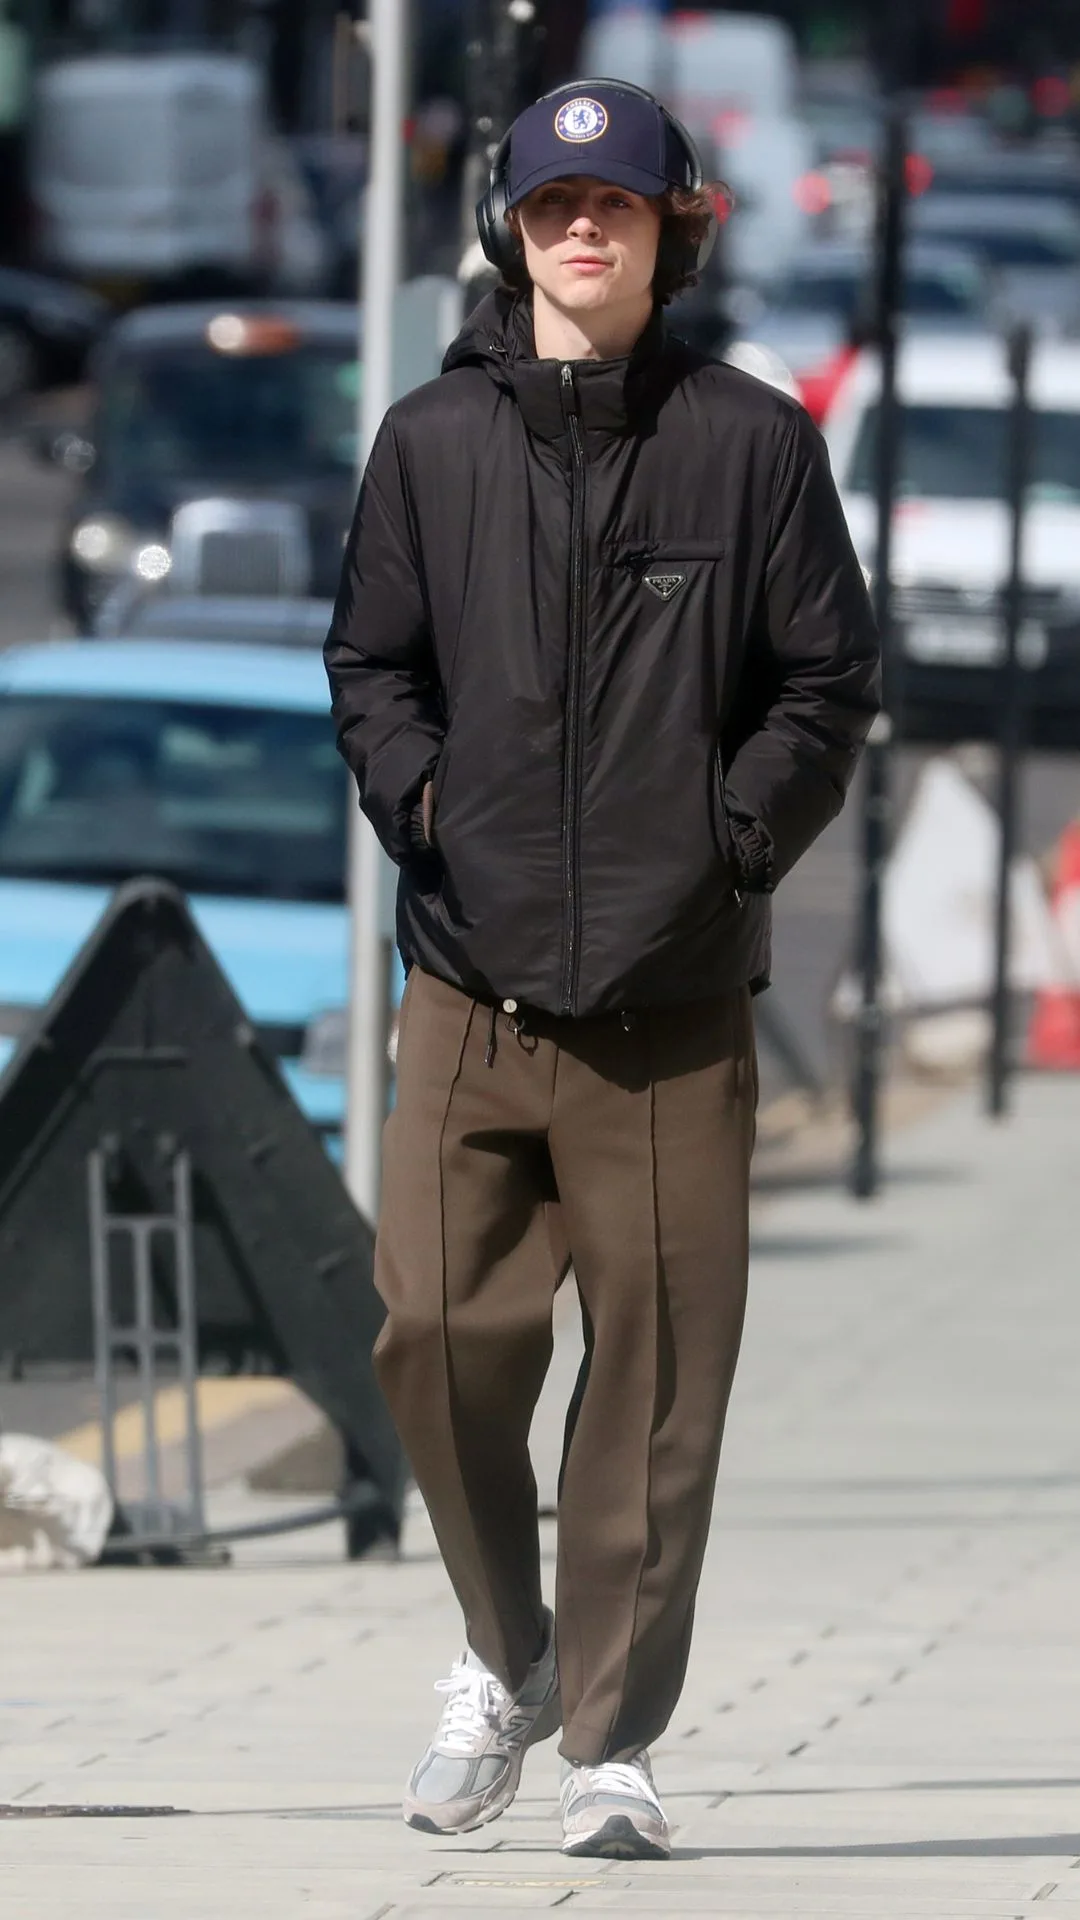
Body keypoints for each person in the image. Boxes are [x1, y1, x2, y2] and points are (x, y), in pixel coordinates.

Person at [325, 77, 880, 1860]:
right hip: (469, 987)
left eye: (619, 206)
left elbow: (825, 685)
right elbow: (371, 664)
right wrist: (427, 810)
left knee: (652, 1391)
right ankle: (511, 1652)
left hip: (672, 1005)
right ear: (511, 227)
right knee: (433, 1338)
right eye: (557, 204)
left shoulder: (751, 443)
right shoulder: (429, 441)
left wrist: (727, 848)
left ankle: (611, 1744)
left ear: (672, 232)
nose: (586, 228)